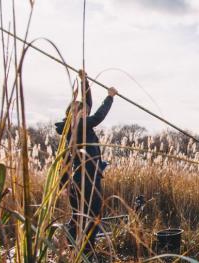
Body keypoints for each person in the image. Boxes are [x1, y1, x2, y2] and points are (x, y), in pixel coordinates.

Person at [55, 70, 118, 253]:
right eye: (81, 111)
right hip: (86, 180)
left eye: (85, 112)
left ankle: (76, 246)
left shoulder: (75, 126)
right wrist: (110, 97)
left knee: (80, 215)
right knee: (93, 215)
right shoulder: (79, 126)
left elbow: (88, 104)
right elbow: (97, 117)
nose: (85, 112)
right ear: (72, 114)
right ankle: (85, 250)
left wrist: (84, 81)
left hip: (81, 179)